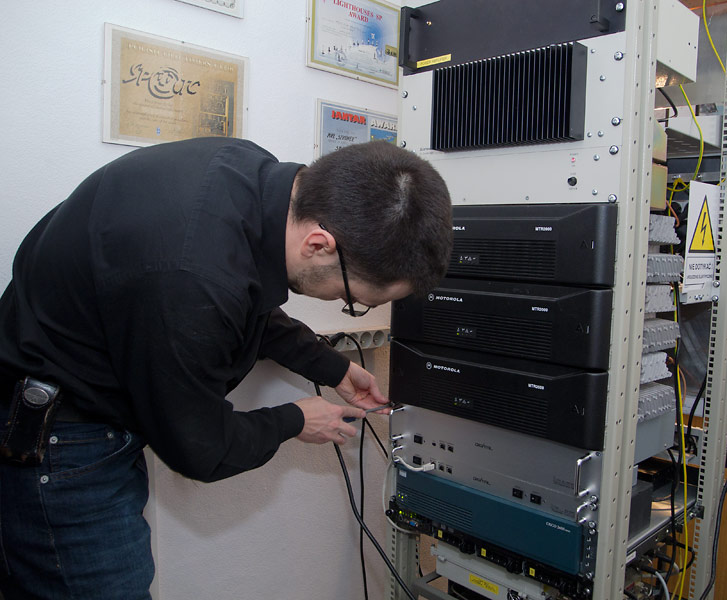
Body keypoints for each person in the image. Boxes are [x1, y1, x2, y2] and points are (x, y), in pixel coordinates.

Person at [0, 137, 453, 599]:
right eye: (351, 299)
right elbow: (200, 449)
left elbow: (244, 297)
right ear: (319, 244)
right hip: (61, 442)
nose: (341, 301)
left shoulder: (252, 176)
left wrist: (332, 367)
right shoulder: (190, 276)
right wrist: (296, 420)